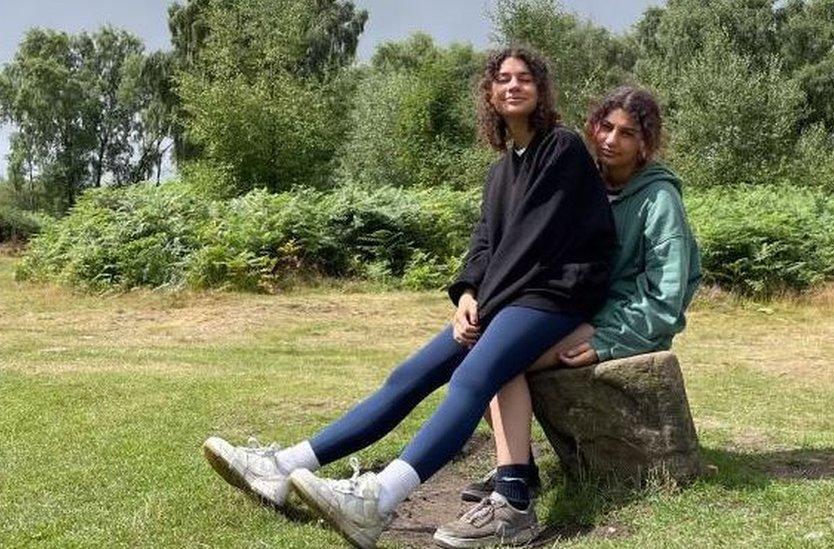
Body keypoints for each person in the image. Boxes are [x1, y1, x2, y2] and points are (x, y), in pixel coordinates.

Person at [201, 47, 616, 549]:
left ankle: (377, 500)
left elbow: (536, 241)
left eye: (524, 78)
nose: (512, 86)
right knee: (410, 376)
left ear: (540, 90)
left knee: (473, 374)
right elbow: (486, 243)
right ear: (489, 93)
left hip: (556, 294)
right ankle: (285, 465)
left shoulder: (563, 149)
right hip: (507, 296)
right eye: (502, 79)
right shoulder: (500, 172)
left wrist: (487, 305)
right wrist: (466, 294)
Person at [432, 86, 702, 548]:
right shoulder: (580, 180)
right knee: (490, 344)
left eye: (627, 133)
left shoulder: (659, 201)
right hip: (565, 310)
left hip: (618, 323)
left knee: (499, 360)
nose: (611, 139)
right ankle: (518, 470)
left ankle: (514, 498)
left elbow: (668, 297)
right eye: (604, 126)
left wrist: (610, 341)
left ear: (645, 143)